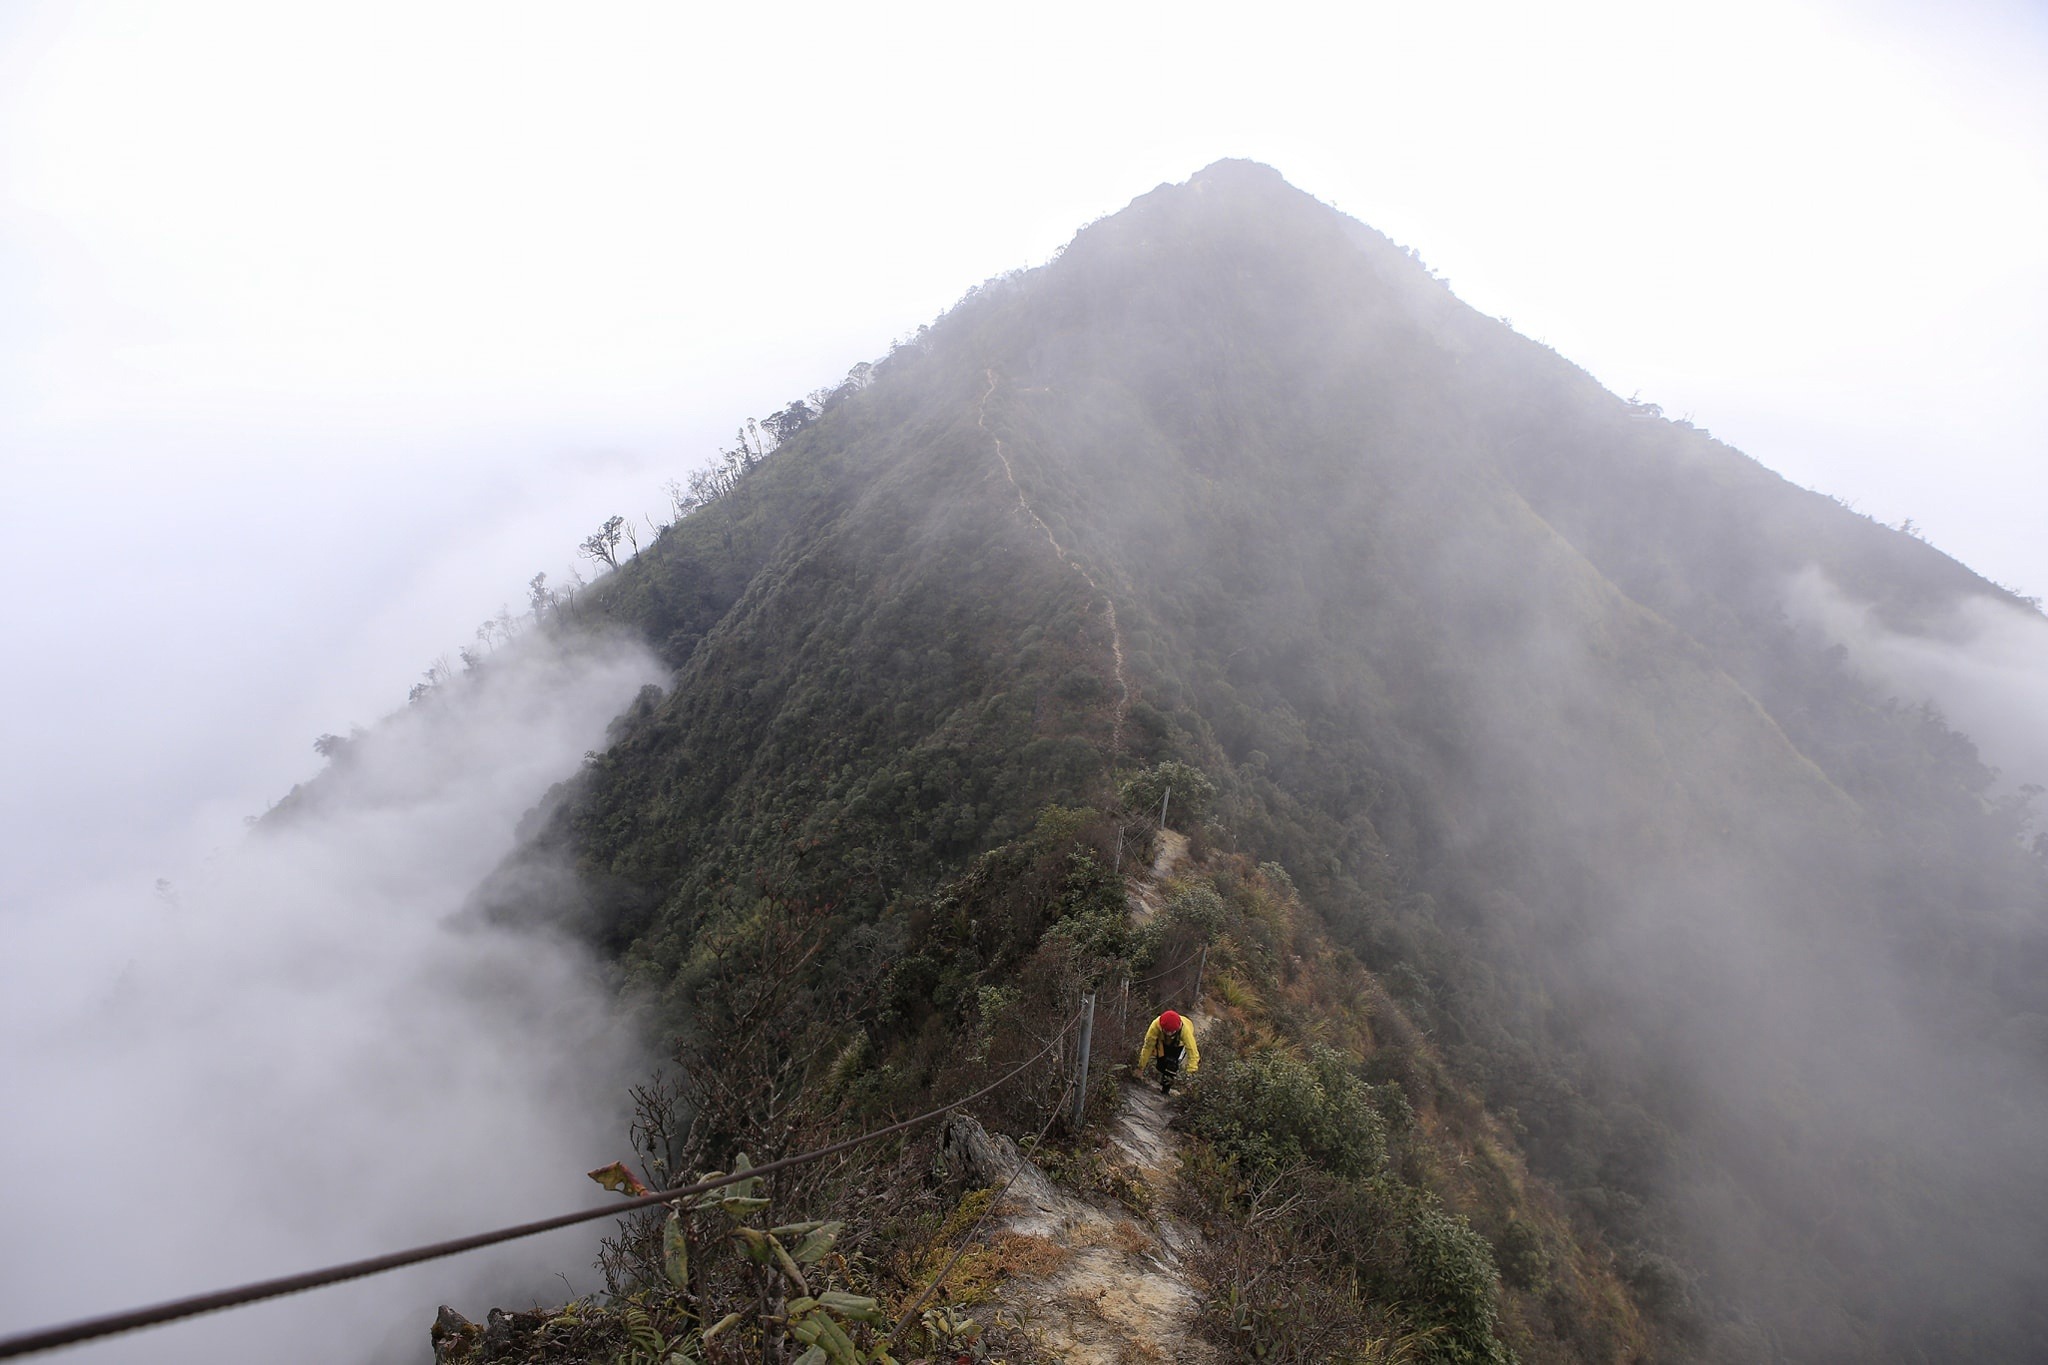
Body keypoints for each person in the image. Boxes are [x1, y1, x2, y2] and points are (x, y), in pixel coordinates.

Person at [1137, 1009, 1199, 1094]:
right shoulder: (1155, 1026)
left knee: (1171, 1066)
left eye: (1172, 1032)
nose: (1169, 1034)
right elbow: (1148, 1047)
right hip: (1162, 1041)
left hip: (1178, 1044)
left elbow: (1193, 1055)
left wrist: (1188, 1079)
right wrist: (1140, 1067)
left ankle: (1165, 1090)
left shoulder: (1185, 1031)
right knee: (1161, 1065)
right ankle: (1161, 1076)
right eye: (1167, 1031)